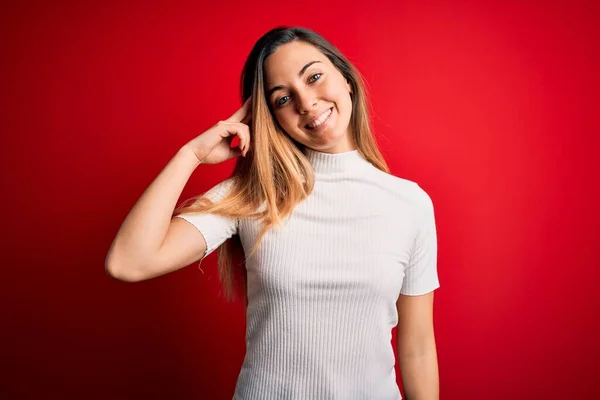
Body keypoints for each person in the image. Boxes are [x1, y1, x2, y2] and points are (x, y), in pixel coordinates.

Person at [106, 26, 440, 400]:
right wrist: (191, 156)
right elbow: (129, 262)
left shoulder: (409, 203)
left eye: (314, 77)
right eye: (282, 99)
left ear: (346, 79)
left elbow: (418, 347)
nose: (307, 103)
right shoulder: (254, 194)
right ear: (271, 118)